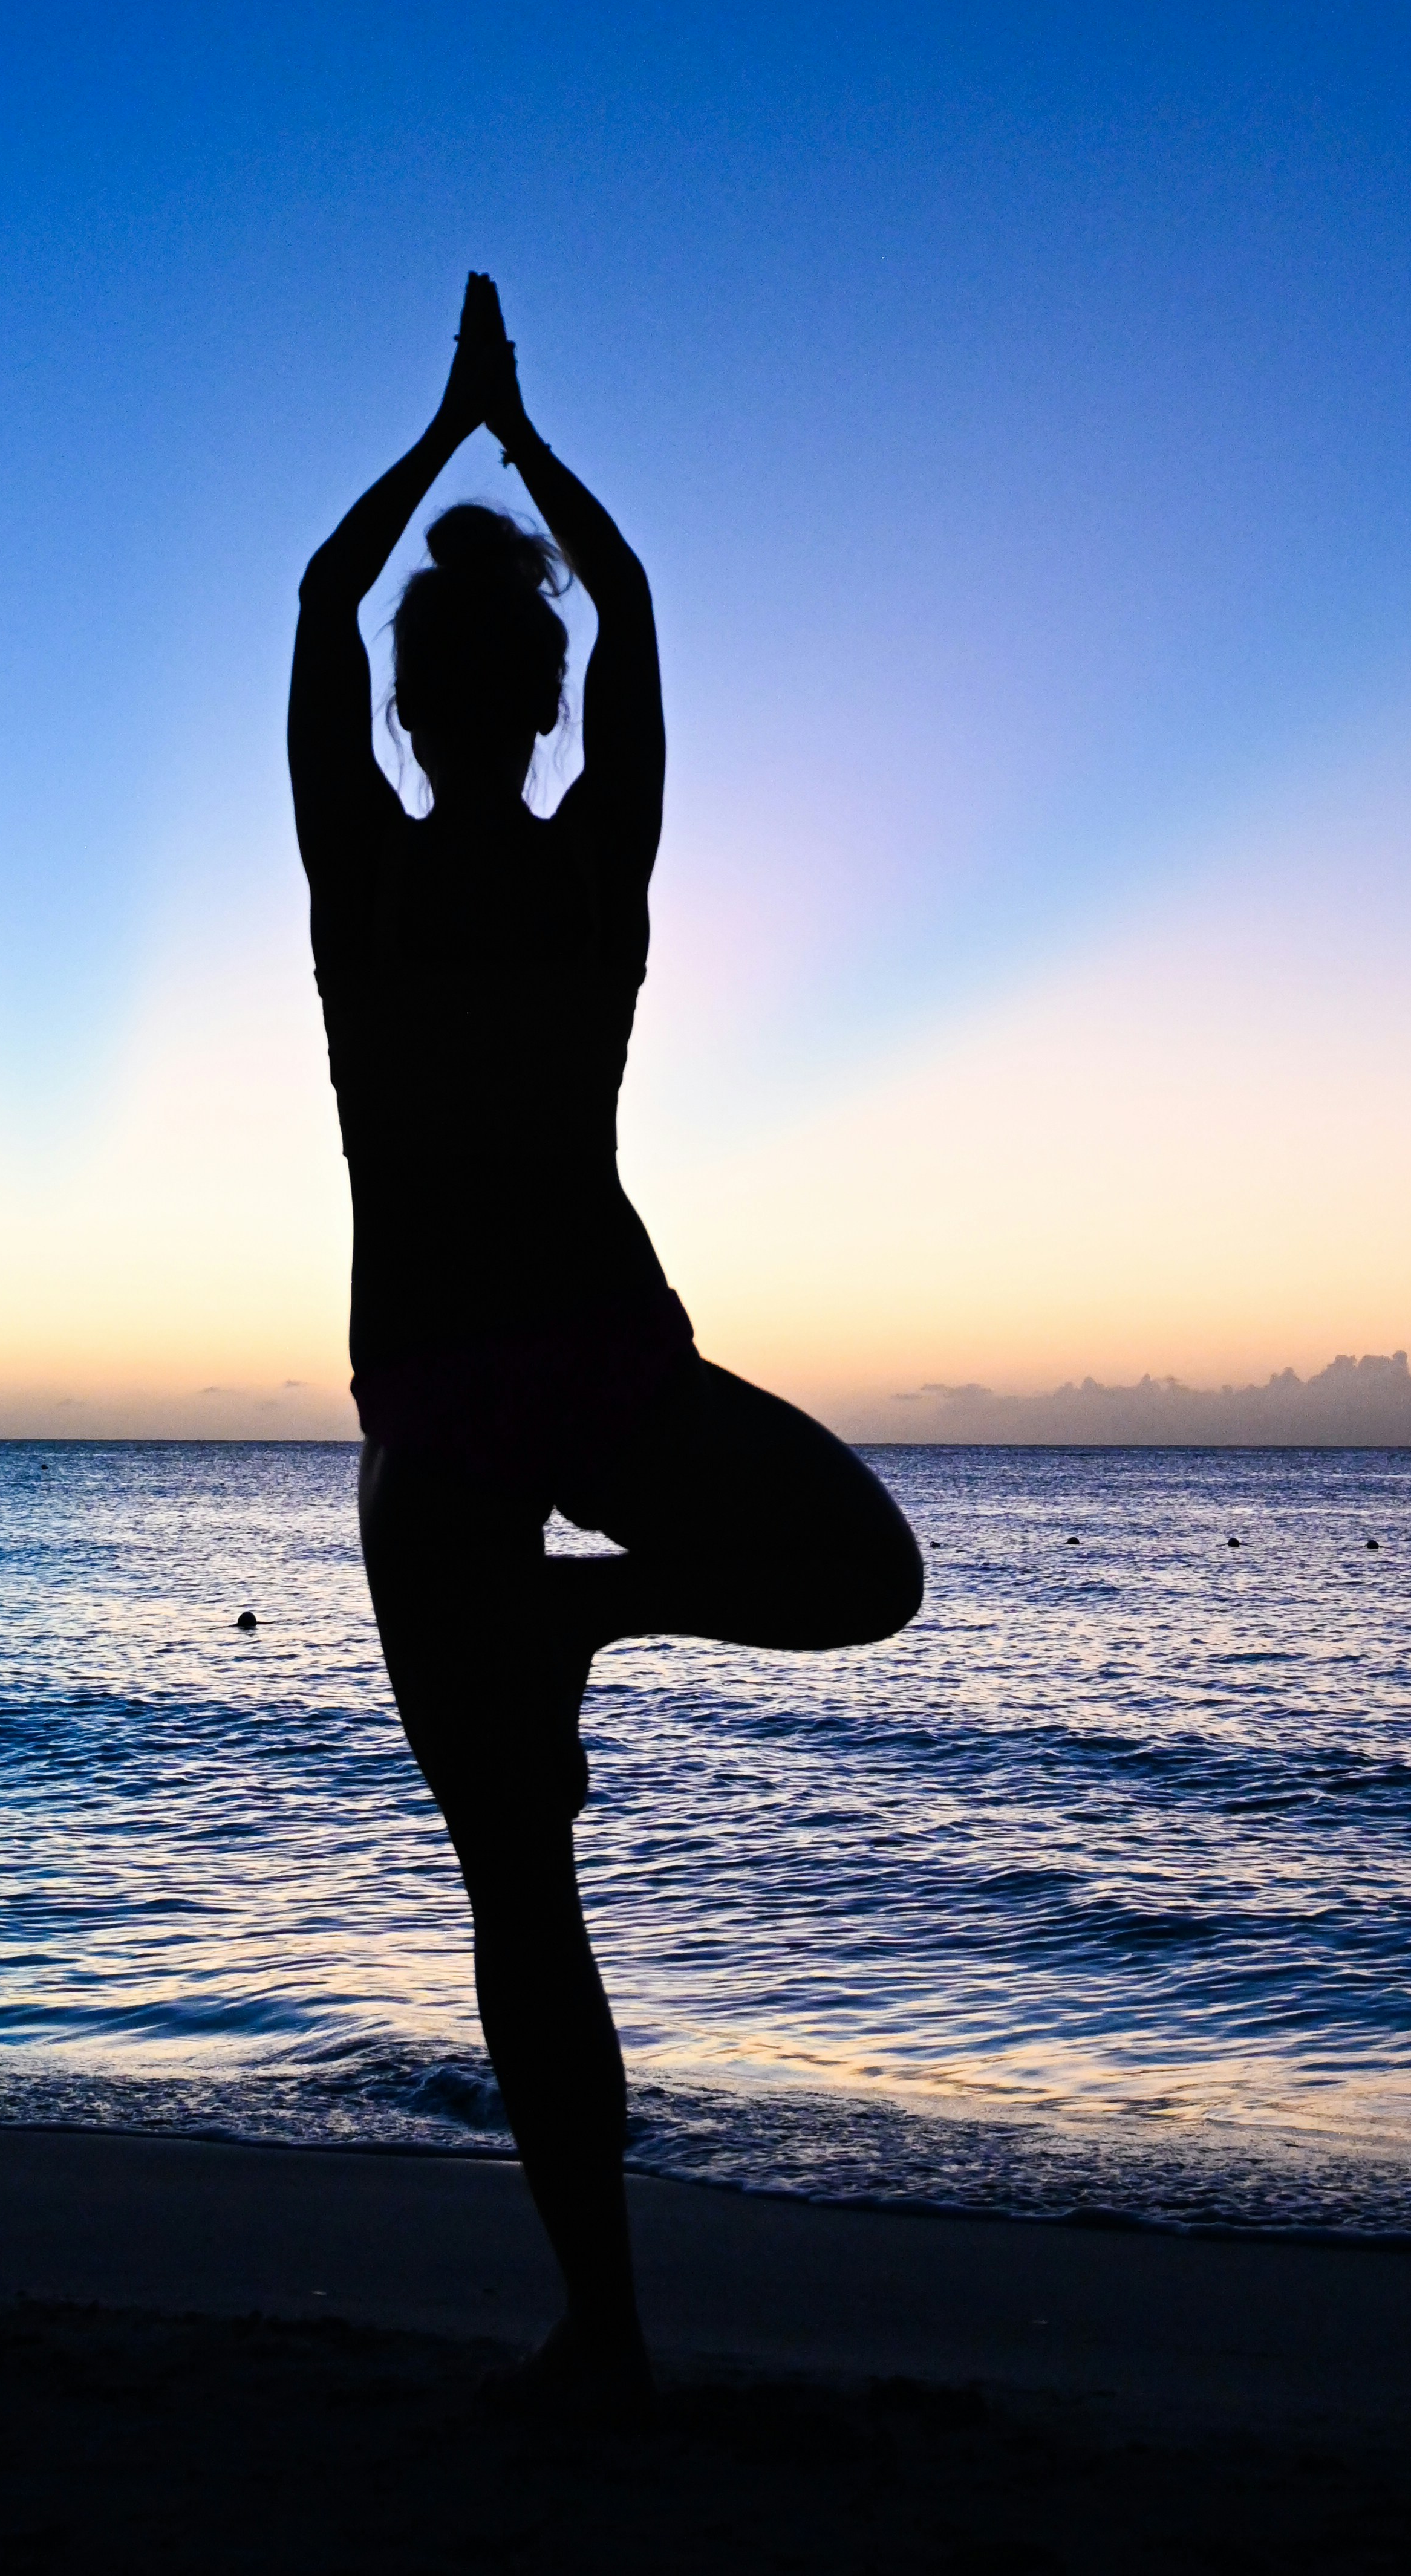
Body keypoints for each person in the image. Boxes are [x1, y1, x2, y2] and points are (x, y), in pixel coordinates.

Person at [290, 274, 923, 2412]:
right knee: (861, 1572)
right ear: (541, 710)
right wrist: (522, 436)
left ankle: (608, 2328)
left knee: (519, 1893)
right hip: (577, 1368)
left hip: (462, 1412)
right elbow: (632, 595)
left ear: (413, 700)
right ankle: (598, 1622)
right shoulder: (591, 879)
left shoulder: (363, 876)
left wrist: (441, 442)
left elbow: (321, 591)